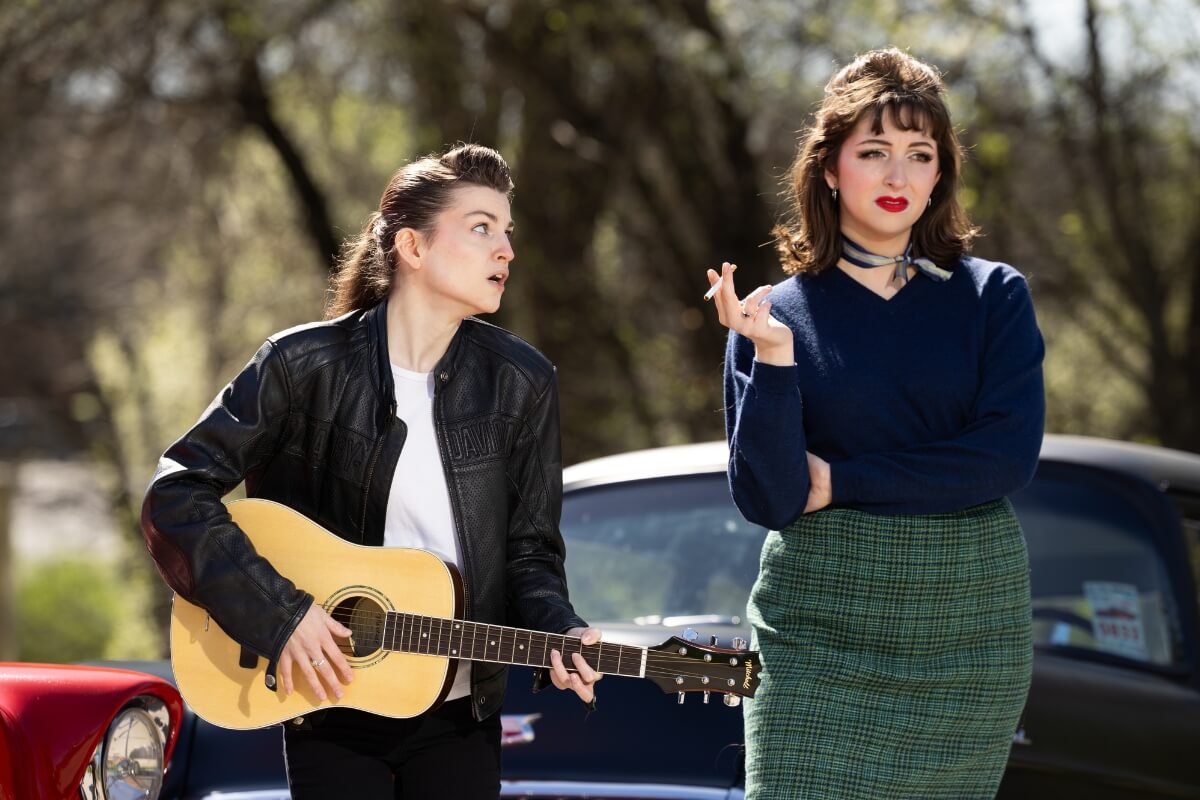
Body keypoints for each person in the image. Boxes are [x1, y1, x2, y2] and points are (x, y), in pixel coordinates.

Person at [141, 144, 601, 799]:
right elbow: (176, 493)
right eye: (481, 228)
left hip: (460, 714)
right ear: (412, 247)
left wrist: (558, 628)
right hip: (327, 704)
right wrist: (282, 616)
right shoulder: (301, 368)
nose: (506, 250)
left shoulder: (522, 382)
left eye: (507, 232)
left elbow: (529, 552)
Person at [705, 48, 1044, 799]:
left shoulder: (994, 298)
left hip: (966, 638)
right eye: (875, 152)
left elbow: (1005, 458)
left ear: (940, 173)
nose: (898, 177)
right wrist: (776, 358)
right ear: (829, 168)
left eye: (919, 155)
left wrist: (849, 480)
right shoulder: (772, 316)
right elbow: (771, 499)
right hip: (816, 643)